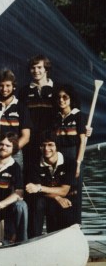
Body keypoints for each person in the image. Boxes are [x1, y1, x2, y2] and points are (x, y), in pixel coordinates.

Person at [51, 83, 90, 226]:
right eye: (59, 97)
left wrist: (78, 163)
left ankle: (75, 226)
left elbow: (82, 141)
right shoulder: (55, 117)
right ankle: (59, 229)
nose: (61, 100)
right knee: (60, 194)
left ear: (70, 98)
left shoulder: (79, 115)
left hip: (74, 156)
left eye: (65, 97)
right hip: (59, 158)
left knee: (74, 194)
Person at [25, 134, 78, 235]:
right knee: (37, 203)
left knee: (66, 206)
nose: (46, 148)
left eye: (50, 145)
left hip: (64, 198)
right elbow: (33, 190)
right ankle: (34, 239)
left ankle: (61, 238)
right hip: (43, 198)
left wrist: (40, 188)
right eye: (43, 145)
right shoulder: (33, 164)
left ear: (57, 147)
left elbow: (64, 191)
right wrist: (57, 197)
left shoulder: (70, 163)